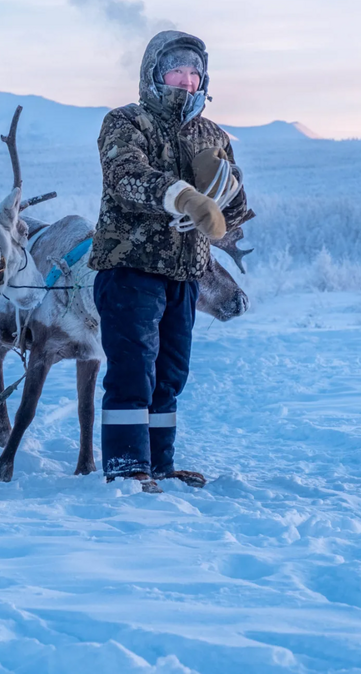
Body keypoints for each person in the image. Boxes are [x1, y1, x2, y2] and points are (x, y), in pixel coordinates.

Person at [89, 30, 249, 493]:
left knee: (170, 373)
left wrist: (223, 181)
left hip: (185, 272)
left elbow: (234, 214)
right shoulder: (126, 122)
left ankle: (159, 466)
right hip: (130, 267)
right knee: (133, 370)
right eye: (175, 71)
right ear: (154, 74)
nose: (185, 81)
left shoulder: (211, 133)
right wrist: (183, 194)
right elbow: (126, 176)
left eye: (193, 73)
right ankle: (125, 466)